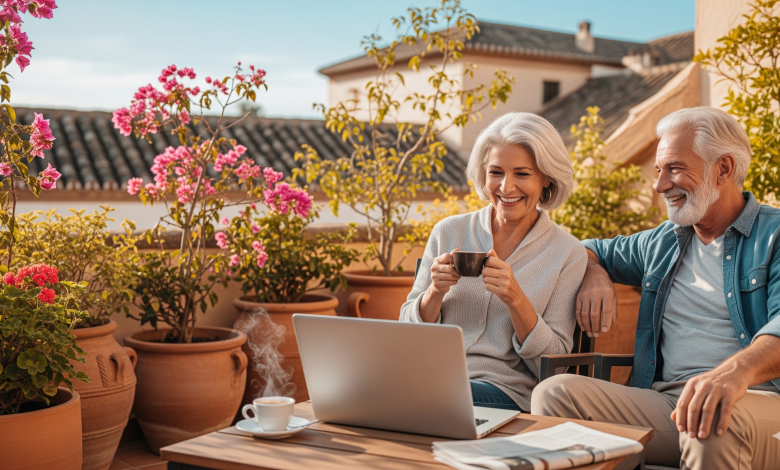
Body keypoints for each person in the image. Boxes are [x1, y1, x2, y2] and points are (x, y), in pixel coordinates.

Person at [531, 107, 780, 470]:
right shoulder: (663, 241)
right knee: (555, 395)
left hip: (761, 404)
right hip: (669, 406)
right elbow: (582, 249)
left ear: (723, 168)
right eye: (659, 171)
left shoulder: (773, 237)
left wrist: (733, 375)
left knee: (710, 420)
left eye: (675, 168)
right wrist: (595, 273)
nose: (660, 185)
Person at [400, 112, 587, 413]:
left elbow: (553, 366)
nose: (506, 187)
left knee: (415, 396)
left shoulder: (567, 254)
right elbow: (405, 333)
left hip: (506, 392)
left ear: (547, 179)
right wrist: (434, 293)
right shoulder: (449, 232)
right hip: (430, 379)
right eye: (496, 172)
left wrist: (516, 299)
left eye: (522, 174)